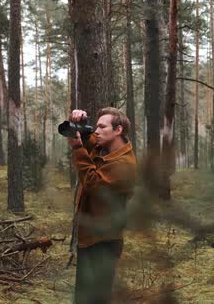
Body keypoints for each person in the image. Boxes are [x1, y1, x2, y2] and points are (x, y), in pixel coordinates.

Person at [67, 107, 138, 304]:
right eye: (95, 126)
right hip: (91, 235)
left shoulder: (124, 164)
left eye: (102, 126)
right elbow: (87, 139)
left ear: (118, 130)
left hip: (104, 240)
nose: (96, 131)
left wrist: (76, 148)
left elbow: (93, 184)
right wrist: (78, 121)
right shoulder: (104, 147)